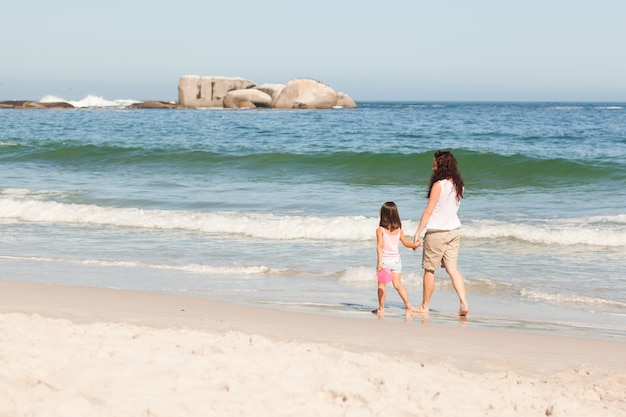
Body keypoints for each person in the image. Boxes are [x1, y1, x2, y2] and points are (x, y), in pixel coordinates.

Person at [413, 150, 469, 317]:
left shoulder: (439, 185)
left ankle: (425, 306)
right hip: (454, 231)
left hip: (437, 232)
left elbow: (429, 211)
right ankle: (464, 303)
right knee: (452, 269)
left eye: (435, 163)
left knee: (429, 270)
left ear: (441, 165)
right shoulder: (459, 185)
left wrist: (418, 232)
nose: (432, 166)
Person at [373, 201, 419, 318]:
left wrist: (379, 262)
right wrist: (415, 245)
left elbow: (380, 246)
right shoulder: (399, 229)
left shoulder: (380, 230)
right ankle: (408, 304)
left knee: (381, 286)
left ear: (383, 215)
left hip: (385, 261)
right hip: (396, 261)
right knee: (398, 285)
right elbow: (406, 243)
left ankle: (381, 308)